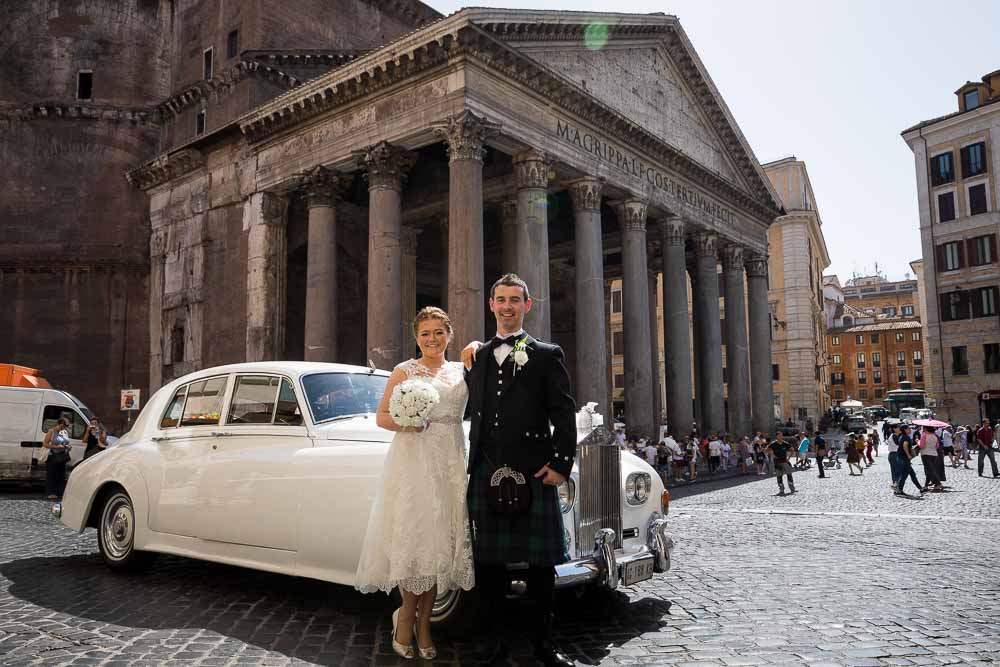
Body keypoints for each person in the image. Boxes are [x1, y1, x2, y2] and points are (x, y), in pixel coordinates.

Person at [461, 274, 577, 667]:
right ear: (490, 305)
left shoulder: (546, 354)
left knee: (540, 568)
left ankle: (544, 645)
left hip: (532, 471)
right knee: (488, 566)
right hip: (485, 470)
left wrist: (562, 465)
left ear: (528, 305)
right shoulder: (474, 358)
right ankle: (494, 645)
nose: (507, 306)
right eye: (501, 299)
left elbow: (563, 413)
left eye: (515, 300)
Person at [355, 307, 474, 660]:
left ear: (450, 335)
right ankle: (407, 617)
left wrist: (477, 344)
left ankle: (424, 624)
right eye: (426, 333)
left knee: (440, 541)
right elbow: (381, 417)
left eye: (439, 332)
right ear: (416, 337)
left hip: (451, 460)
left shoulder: (462, 370)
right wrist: (407, 422)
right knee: (417, 539)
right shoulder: (403, 371)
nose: (433, 339)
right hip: (415, 460)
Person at [41, 417, 72, 500]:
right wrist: (56, 446)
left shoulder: (64, 432)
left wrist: (68, 446)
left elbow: (66, 442)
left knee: (61, 475)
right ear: (59, 423)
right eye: (62, 426)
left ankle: (60, 492)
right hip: (53, 456)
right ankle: (51, 492)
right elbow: (45, 444)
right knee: (52, 475)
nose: (63, 428)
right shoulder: (51, 431)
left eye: (65, 426)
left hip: (62, 456)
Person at [895, 424, 923, 496]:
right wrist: (908, 455)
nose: (910, 430)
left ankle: (920, 488)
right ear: (905, 430)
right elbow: (905, 446)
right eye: (908, 429)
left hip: (902, 458)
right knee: (904, 475)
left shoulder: (902, 437)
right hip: (904, 458)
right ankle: (899, 490)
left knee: (912, 474)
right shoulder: (905, 438)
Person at [919, 425, 944, 492]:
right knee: (930, 470)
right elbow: (937, 446)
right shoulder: (935, 436)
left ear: (926, 428)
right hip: (934, 454)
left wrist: (917, 441)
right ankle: (926, 485)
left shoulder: (924, 436)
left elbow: (921, 446)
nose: (922, 429)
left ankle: (938, 483)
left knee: (929, 470)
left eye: (923, 428)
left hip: (926, 454)